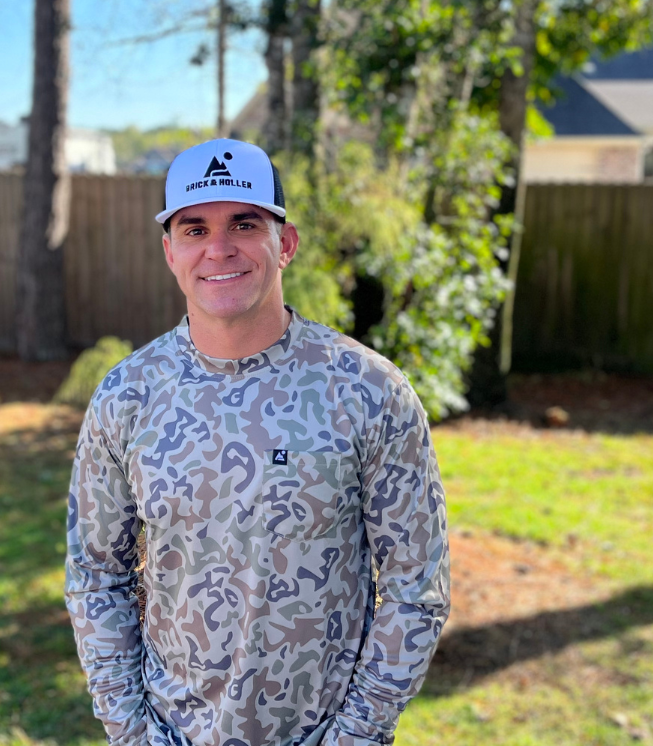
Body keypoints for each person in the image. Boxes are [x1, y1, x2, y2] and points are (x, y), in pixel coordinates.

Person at [65, 138, 450, 746]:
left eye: (244, 223)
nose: (219, 248)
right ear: (170, 251)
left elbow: (415, 585)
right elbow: (95, 575)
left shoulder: (367, 390)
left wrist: (355, 734)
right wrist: (132, 732)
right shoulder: (128, 396)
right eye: (194, 229)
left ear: (285, 243)